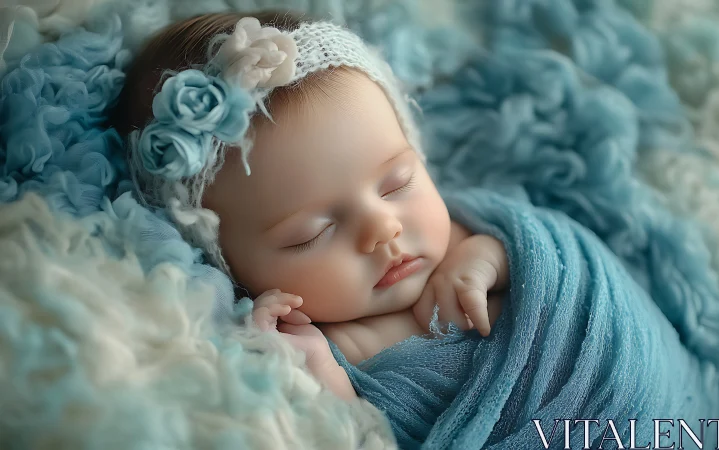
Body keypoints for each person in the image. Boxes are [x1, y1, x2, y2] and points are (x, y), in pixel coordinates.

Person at [111, 11, 508, 401]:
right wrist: (317, 368)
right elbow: (363, 429)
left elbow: (549, 249)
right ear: (230, 268)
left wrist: (483, 260)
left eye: (396, 185)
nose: (383, 229)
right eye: (312, 234)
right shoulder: (332, 345)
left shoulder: (467, 234)